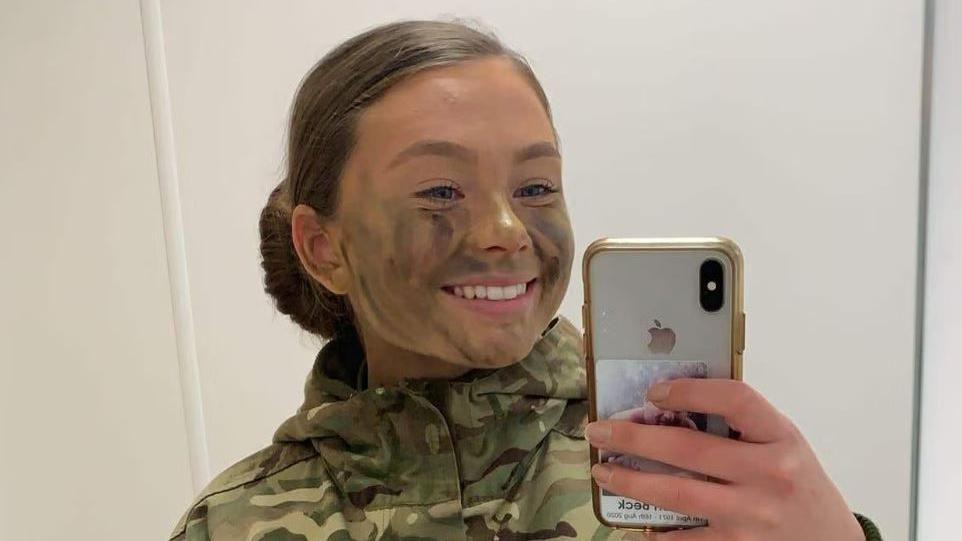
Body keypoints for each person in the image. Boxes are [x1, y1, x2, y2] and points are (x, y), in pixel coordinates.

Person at [168, 20, 882, 541]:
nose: (508, 231)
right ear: (324, 247)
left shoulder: (696, 476)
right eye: (441, 191)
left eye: (537, 186)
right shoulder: (232, 525)